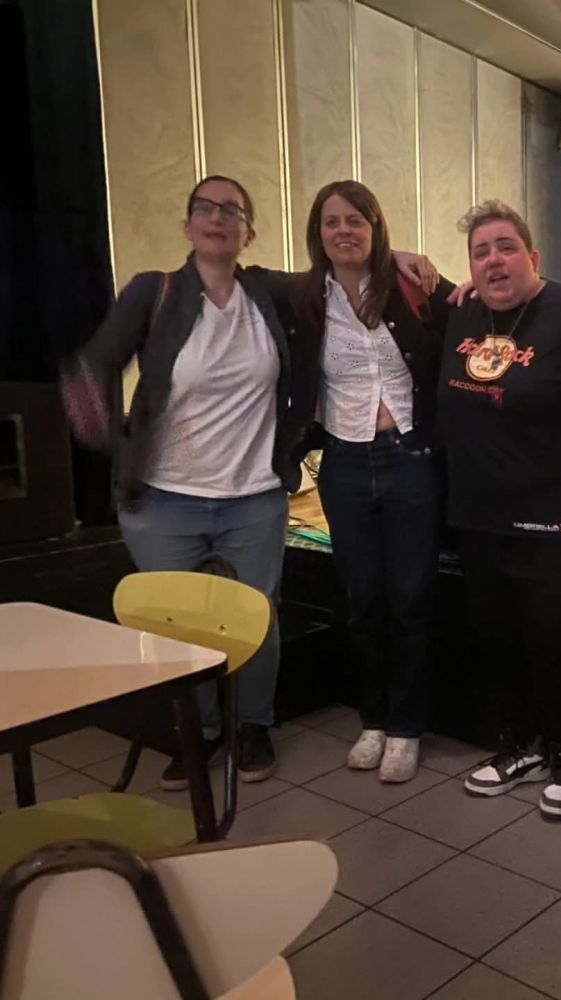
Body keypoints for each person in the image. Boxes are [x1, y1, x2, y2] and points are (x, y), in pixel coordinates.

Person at [72, 175, 293, 789]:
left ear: (249, 231)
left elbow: (337, 275)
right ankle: (201, 731)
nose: (217, 218)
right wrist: (115, 443)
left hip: (253, 497)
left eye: (231, 210)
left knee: (257, 619)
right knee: (178, 624)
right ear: (188, 225)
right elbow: (93, 364)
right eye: (204, 208)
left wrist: (398, 256)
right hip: (162, 501)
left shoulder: (267, 293)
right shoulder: (157, 291)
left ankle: (251, 726)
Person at [441, 200, 561, 817]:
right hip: (481, 518)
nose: (493, 260)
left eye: (506, 247)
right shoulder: (463, 312)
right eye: (481, 252)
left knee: (560, 642)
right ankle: (520, 747)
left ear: (533, 256)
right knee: (501, 641)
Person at [286, 180, 452, 783]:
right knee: (363, 602)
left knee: (411, 599)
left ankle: (407, 726)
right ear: (318, 233)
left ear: (376, 227)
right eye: (331, 222)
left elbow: (468, 313)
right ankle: (373, 720)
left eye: (356, 220)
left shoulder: (411, 287)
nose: (344, 231)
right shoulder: (305, 297)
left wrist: (408, 259)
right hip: (346, 462)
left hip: (411, 458)